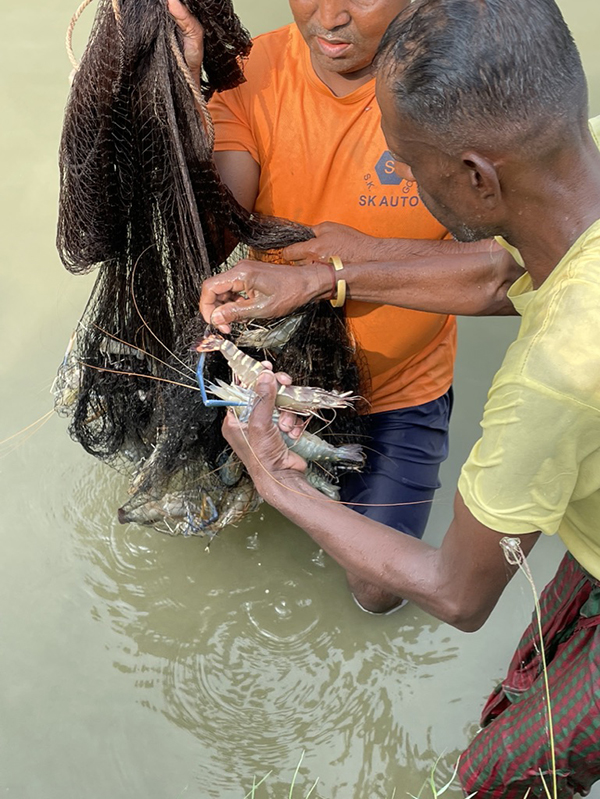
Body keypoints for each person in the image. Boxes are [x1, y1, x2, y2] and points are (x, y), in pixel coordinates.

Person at [205, 0, 600, 795]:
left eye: (409, 165)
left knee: (490, 775)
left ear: (476, 179)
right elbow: (504, 270)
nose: (402, 180)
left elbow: (459, 592)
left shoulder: (556, 374)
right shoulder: (573, 197)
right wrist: (328, 273)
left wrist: (277, 477)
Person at [169, 0, 521, 615]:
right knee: (194, 520)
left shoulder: (464, 89)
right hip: (272, 375)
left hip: (400, 385)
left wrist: (336, 273)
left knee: (378, 590)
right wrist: (184, 98)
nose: (328, 15)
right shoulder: (252, 71)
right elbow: (214, 232)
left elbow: (516, 270)